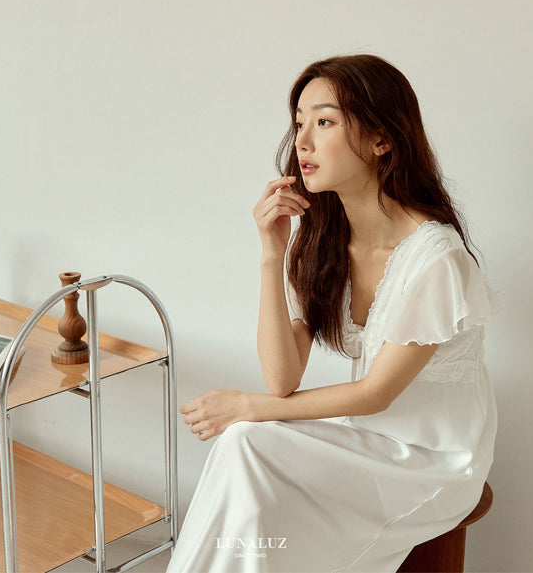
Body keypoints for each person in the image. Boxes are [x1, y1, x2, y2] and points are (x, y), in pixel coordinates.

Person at [166, 54, 499, 573]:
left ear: (382, 139)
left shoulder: (436, 258)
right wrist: (271, 255)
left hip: (434, 463)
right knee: (244, 443)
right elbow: (282, 379)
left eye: (324, 122)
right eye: (299, 122)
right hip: (367, 445)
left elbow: (375, 394)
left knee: (247, 438)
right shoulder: (327, 246)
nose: (302, 141)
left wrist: (246, 406)